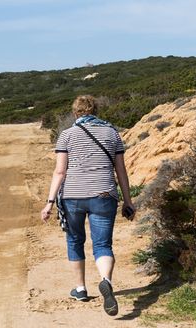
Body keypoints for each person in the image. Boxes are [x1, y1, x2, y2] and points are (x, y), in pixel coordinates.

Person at [40, 95, 135, 316]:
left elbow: (60, 171)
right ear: (96, 110)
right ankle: (105, 280)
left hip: (73, 196)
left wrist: (49, 202)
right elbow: (121, 171)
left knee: (75, 240)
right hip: (104, 194)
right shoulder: (112, 133)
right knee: (102, 245)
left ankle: (81, 288)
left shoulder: (67, 135)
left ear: (75, 113)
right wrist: (128, 201)